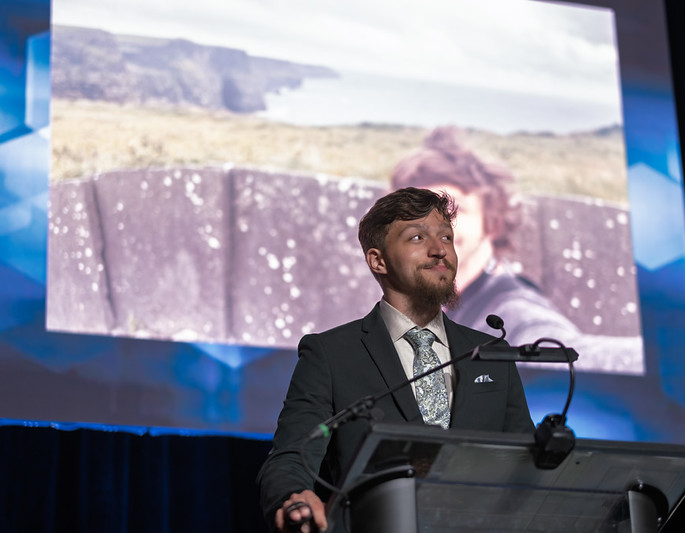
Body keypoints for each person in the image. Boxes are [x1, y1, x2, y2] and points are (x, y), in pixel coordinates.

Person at [256, 187, 534, 532]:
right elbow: (291, 456)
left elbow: (528, 463)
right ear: (378, 261)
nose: (439, 249)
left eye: (446, 237)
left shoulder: (491, 354)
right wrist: (294, 497)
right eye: (417, 237)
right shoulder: (331, 354)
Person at [391, 127, 643, 372]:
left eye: (454, 210)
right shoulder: (440, 303)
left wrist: (661, 356)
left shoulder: (511, 314)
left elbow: (566, 352)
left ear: (492, 222)